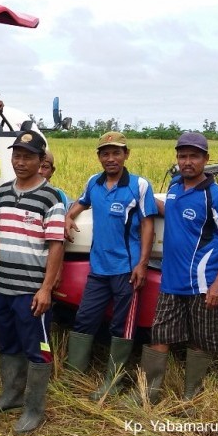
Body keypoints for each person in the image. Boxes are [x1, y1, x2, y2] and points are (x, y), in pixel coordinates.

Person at [133, 132, 218, 404]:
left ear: (206, 159)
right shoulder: (173, 186)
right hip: (171, 281)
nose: (187, 161)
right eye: (182, 156)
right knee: (160, 334)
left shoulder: (215, 197)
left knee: (200, 341)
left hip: (204, 283)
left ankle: (191, 397)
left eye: (194, 156)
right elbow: (171, 211)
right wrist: (140, 196)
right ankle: (148, 394)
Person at [0, 130, 65, 434]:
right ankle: (11, 396)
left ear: (41, 160)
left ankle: (34, 409)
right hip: (3, 286)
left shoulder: (51, 197)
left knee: (37, 349)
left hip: (31, 291)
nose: (20, 161)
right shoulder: (2, 192)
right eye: (16, 155)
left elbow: (56, 244)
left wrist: (45, 288)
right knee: (8, 343)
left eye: (28, 156)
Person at [63, 131, 157, 401]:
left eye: (117, 152)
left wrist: (142, 264)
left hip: (127, 270)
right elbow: (80, 204)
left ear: (126, 154)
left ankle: (112, 382)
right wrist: (68, 218)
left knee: (122, 326)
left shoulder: (138, 186)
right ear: (99, 157)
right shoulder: (94, 182)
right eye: (105, 153)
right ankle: (73, 373)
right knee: (84, 318)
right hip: (98, 269)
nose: (111, 158)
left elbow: (148, 225)